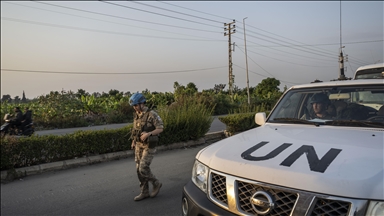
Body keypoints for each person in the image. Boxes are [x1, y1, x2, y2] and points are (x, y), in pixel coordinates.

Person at [129, 93, 164, 201]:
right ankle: (144, 192)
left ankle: (156, 183)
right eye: (134, 106)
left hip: (149, 146)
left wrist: (149, 134)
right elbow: (136, 129)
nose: (135, 108)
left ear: (142, 103)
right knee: (138, 170)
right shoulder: (137, 115)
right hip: (139, 145)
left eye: (136, 105)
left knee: (143, 168)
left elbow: (160, 128)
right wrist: (134, 141)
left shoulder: (151, 114)